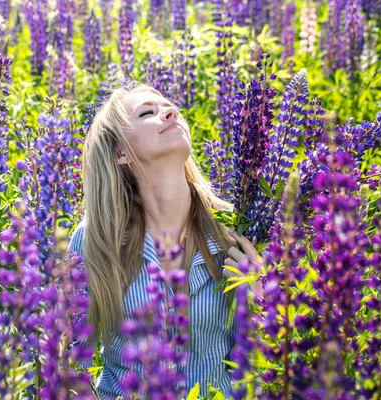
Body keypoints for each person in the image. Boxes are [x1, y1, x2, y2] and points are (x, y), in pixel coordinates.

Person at [68, 82, 263, 399]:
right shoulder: (96, 238)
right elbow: (69, 359)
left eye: (170, 107)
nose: (171, 112)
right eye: (148, 112)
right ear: (120, 153)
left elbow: (261, 366)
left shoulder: (232, 229)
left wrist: (265, 305)